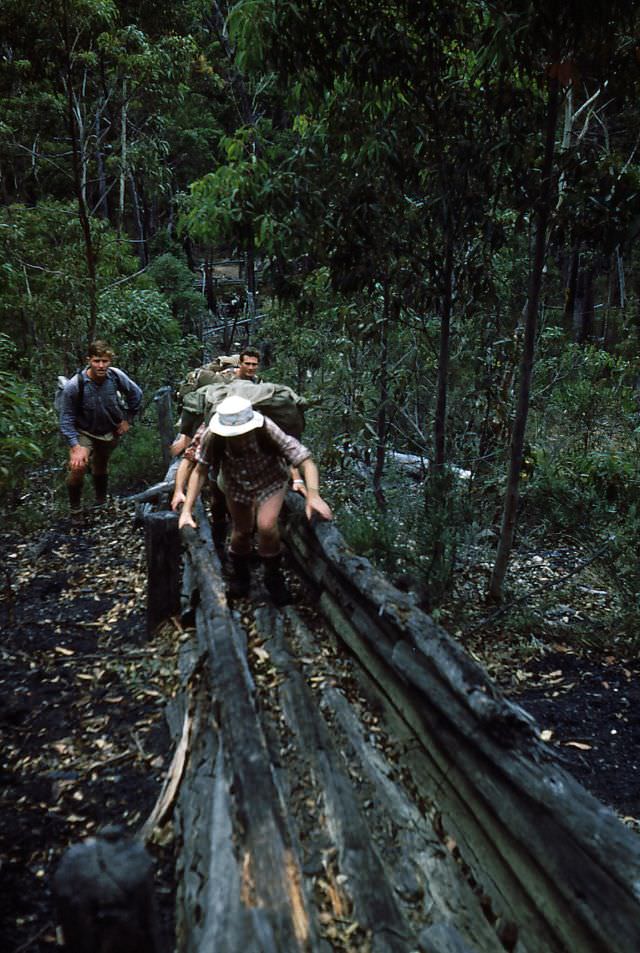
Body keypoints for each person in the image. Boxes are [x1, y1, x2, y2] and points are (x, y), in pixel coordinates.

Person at [177, 395, 332, 605]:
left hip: (271, 480)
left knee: (267, 527)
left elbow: (304, 460)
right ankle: (240, 577)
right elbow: (200, 470)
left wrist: (313, 495)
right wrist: (186, 510)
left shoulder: (266, 429)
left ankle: (273, 578)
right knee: (242, 531)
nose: (238, 437)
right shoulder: (213, 436)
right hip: (235, 483)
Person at [59, 340, 142, 525]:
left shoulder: (116, 377)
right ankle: (75, 510)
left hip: (109, 429)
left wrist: (128, 419)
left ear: (110, 361)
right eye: (97, 361)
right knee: (78, 466)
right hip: (84, 431)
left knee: (101, 465)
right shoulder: (75, 385)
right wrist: (75, 446)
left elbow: (136, 394)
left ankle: (101, 502)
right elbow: (66, 418)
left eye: (105, 361)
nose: (101, 365)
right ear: (89, 360)